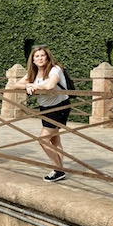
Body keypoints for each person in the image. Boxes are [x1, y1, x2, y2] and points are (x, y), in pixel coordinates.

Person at [14, 44, 71, 182]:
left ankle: (58, 170)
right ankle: (60, 170)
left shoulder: (55, 69)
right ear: (33, 60)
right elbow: (16, 84)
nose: (40, 58)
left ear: (47, 57)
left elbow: (50, 86)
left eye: (42, 56)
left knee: (43, 140)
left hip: (59, 107)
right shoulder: (33, 73)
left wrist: (35, 86)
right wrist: (28, 85)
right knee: (54, 139)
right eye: (37, 56)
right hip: (45, 108)